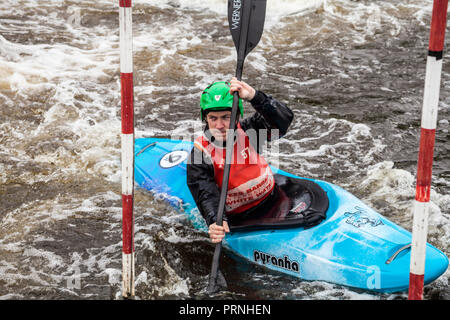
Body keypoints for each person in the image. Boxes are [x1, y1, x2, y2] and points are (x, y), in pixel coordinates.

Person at [186, 77, 294, 243]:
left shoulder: (250, 130)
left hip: (275, 199)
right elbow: (206, 194)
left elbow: (284, 121)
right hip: (241, 218)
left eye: (226, 117)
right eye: (213, 118)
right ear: (205, 119)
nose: (219, 125)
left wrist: (255, 96)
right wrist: (215, 220)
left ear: (237, 116)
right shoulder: (200, 155)